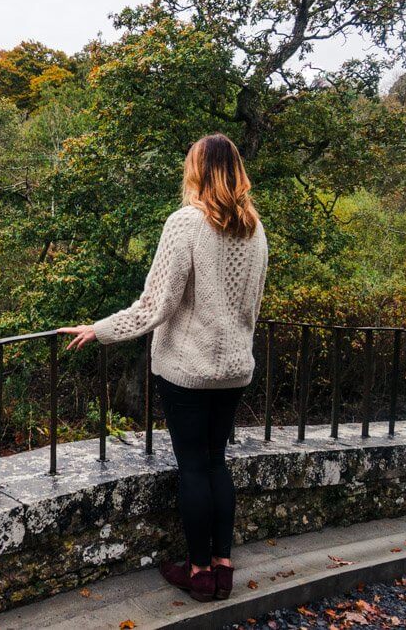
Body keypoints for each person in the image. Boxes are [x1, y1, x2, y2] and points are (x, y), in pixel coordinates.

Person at [58, 133, 268, 603]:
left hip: (189, 371)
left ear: (198, 171)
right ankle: (223, 568)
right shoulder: (254, 229)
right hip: (235, 368)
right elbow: (252, 305)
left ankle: (197, 572)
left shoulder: (187, 223)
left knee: (193, 467)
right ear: (236, 170)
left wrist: (102, 328)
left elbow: (156, 303)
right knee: (217, 463)